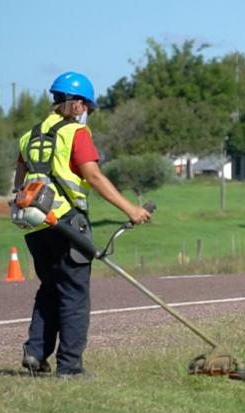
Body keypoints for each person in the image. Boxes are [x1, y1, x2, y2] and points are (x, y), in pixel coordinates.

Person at [13, 71, 151, 378]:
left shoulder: (28, 136)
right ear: (76, 105)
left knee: (50, 288)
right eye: (86, 106)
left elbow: (18, 183)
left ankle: (35, 353)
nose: (86, 112)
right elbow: (93, 176)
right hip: (67, 224)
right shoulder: (76, 134)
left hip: (35, 225)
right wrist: (131, 208)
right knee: (74, 295)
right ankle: (70, 367)